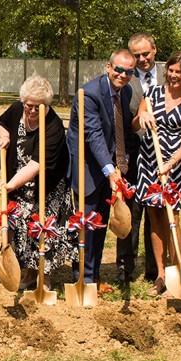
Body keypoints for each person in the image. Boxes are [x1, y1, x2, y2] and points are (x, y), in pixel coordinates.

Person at [134, 49, 181, 296]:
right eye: (171, 70)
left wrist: (170, 164)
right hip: (148, 162)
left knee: (171, 217)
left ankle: (177, 268)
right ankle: (161, 275)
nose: (173, 76)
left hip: (173, 165)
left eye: (179, 72)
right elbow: (135, 125)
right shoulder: (151, 94)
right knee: (154, 217)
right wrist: (141, 115)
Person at [0, 75, 75, 288]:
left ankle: (43, 276)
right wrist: (3, 135)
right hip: (19, 183)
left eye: (39, 107)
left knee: (42, 229)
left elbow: (36, 165)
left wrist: (10, 184)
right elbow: (1, 123)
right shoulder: (16, 110)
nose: (32, 111)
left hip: (46, 186)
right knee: (21, 228)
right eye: (29, 105)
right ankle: (28, 274)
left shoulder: (54, 127)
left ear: (47, 105)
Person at [66, 49, 136, 284]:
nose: (123, 75)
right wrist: (109, 171)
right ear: (108, 67)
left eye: (129, 72)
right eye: (119, 69)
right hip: (88, 167)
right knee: (86, 224)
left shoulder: (125, 92)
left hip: (110, 169)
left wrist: (119, 164)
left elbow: (120, 131)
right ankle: (83, 280)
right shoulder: (88, 94)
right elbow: (94, 135)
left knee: (101, 224)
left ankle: (93, 277)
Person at [125, 32, 159, 284]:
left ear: (154, 50)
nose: (142, 59)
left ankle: (154, 269)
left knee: (156, 212)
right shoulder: (126, 78)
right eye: (136, 55)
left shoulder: (170, 76)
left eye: (145, 53)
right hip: (133, 153)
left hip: (162, 157)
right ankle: (125, 267)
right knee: (130, 213)